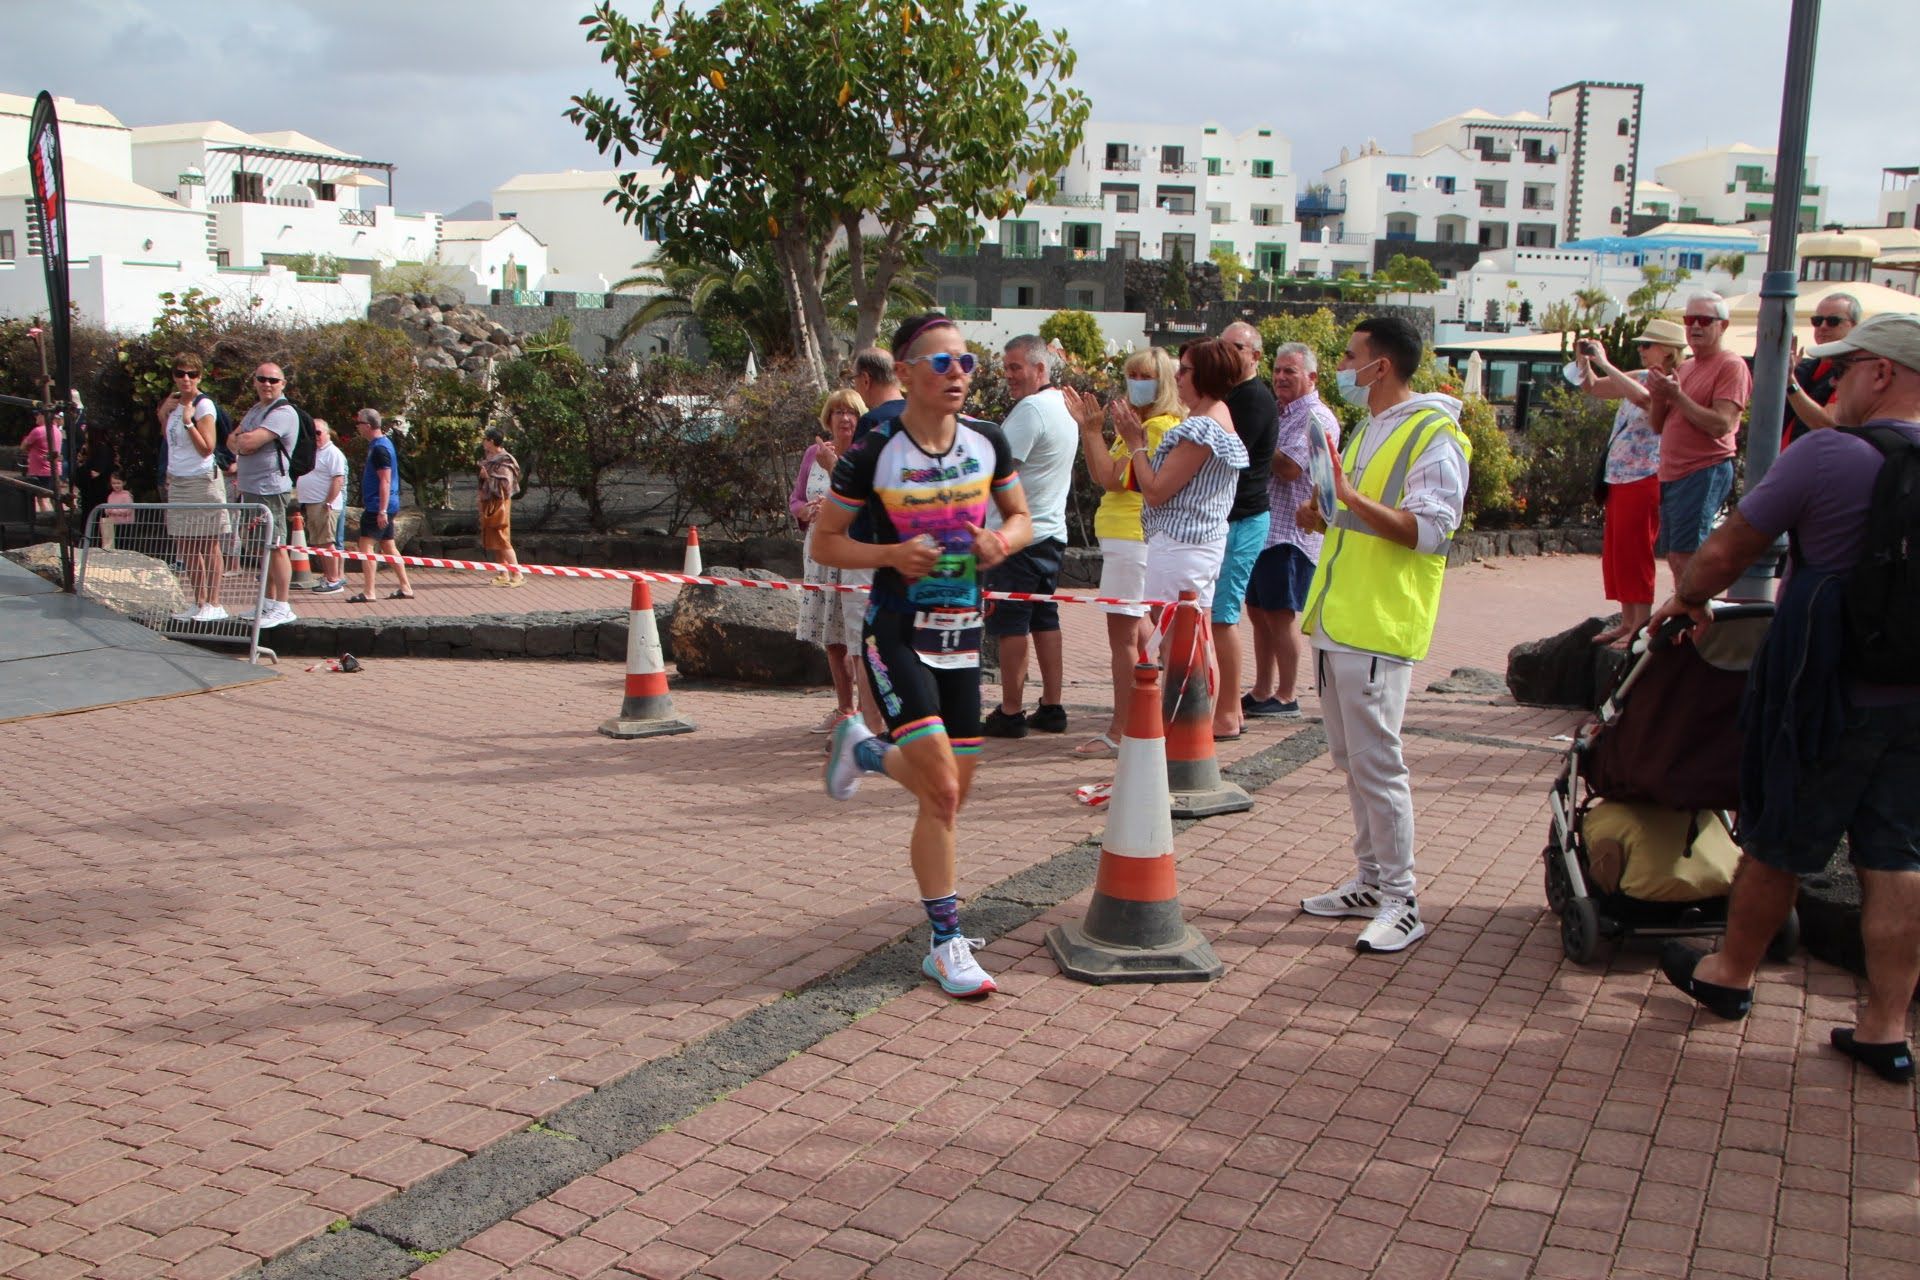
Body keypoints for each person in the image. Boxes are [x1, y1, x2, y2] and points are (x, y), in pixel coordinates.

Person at [1650, 313, 1920, 1085]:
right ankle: (1886, 1027)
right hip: (1912, 697)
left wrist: (1687, 599)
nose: (1833, 383)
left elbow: (1728, 549)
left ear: (1881, 372)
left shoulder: (1830, 455)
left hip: (1825, 689)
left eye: (1844, 368)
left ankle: (1730, 974)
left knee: (1781, 839)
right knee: (1898, 855)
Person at [813, 312, 1033, 1000]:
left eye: (967, 363)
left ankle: (865, 750)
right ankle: (944, 943)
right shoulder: (874, 451)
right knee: (940, 788)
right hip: (896, 632)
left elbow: (1022, 518)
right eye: (942, 363)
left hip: (962, 635)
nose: (958, 374)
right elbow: (825, 542)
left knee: (952, 795)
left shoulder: (989, 441)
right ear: (906, 374)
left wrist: (1003, 542)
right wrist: (890, 554)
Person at [1294, 316, 1471, 954]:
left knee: (1378, 765)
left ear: (1382, 366)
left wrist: (1345, 497)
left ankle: (1402, 899)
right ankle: (1372, 883)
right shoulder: (1371, 426)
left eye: (1349, 356)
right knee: (1354, 763)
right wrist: (1324, 511)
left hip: (1379, 622)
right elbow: (1359, 516)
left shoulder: (1435, 434)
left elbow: (1430, 531)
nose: (1342, 366)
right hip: (1339, 618)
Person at [1067, 339, 1248, 646]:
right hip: (1189, 545)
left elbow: (1153, 490)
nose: (1177, 377)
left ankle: (1173, 682)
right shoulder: (1213, 417)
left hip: (1180, 547)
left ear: (1204, 375)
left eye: (1185, 370)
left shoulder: (1198, 427)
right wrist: (1097, 431)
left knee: (1178, 644)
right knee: (1191, 642)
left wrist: (1135, 443)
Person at [1067, 345, 1180, 757]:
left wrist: (1094, 432)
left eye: (1145, 376)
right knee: (1139, 633)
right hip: (1124, 539)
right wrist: (1091, 431)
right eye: (1132, 375)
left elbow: (1115, 479)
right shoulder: (1139, 424)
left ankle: (1122, 730)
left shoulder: (1157, 427)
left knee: (1124, 638)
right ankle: (1142, 724)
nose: (1136, 383)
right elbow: (1103, 474)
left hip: (1134, 539)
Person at [981, 335, 1077, 739]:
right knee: (1043, 617)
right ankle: (1052, 705)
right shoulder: (1062, 407)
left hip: (1018, 535)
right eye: (1006, 368)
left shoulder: (1032, 409)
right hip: (1050, 532)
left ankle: (1011, 710)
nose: (1009, 376)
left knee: (1012, 624)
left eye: (1016, 367)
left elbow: (998, 469)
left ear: (1040, 368)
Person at [1577, 319, 1686, 646]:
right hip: (1619, 477)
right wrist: (1584, 362)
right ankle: (1627, 621)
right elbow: (1594, 388)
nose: (1641, 350)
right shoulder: (1639, 376)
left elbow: (1644, 400)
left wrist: (1604, 362)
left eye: (1647, 345)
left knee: (1636, 550)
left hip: (1644, 477)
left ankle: (1640, 625)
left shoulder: (1671, 383)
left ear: (1668, 351)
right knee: (1618, 552)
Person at [1245, 342, 1339, 718]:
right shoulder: (1278, 412)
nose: (1281, 377)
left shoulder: (1317, 418)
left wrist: (1252, 438)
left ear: (1312, 377)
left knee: (1280, 615)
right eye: (1278, 370)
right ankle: (1262, 689)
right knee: (1257, 611)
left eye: (1290, 371)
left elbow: (1289, 468)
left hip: (1290, 535)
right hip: (1263, 530)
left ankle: (1287, 695)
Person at [1648, 293, 1750, 587]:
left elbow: (1721, 424)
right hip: (1673, 474)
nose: (1695, 326)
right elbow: (1658, 425)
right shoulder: (1686, 367)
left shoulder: (1730, 365)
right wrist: (1659, 395)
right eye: (1690, 319)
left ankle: (1697, 612)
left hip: (1702, 470)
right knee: (1676, 556)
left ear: (1723, 325)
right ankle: (1688, 610)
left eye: (1704, 320)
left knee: (1688, 556)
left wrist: (1677, 396)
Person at [1213, 321, 1280, 738]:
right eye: (1221, 346)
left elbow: (1225, 455)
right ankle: (1226, 706)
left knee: (1223, 617)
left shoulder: (1253, 398)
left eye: (1235, 347)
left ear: (1255, 355)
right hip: (1230, 518)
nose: (1226, 353)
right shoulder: (1231, 394)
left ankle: (1228, 710)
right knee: (1218, 616)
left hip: (1243, 518)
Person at [791, 389, 869, 730]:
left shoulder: (867, 453)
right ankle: (843, 708)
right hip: (819, 553)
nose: (845, 418)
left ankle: (867, 711)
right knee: (833, 637)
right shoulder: (814, 453)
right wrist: (805, 511)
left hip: (852, 551)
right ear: (828, 418)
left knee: (858, 634)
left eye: (851, 412)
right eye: (838, 412)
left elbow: (866, 502)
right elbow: (796, 498)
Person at [227, 362, 301, 628]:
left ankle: (282, 605)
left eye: (273, 380)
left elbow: (246, 441)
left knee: (276, 546)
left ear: (283, 384)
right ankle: (267, 602)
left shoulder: (284, 412)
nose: (267, 384)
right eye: (261, 379)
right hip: (251, 489)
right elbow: (232, 440)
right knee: (261, 548)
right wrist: (243, 443)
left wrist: (245, 442)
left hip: (270, 490)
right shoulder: (256, 410)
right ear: (255, 381)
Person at [159, 355, 230, 623]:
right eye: (180, 373)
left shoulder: (203, 405)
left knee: (208, 543)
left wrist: (189, 422)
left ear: (199, 376)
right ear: (174, 376)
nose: (186, 379)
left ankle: (214, 602)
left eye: (191, 374)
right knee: (186, 544)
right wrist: (163, 413)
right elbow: (171, 439)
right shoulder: (174, 403)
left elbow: (207, 448)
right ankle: (198, 601)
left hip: (201, 479)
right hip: (178, 480)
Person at [348, 409, 414, 602]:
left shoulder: (380, 448)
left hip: (379, 505)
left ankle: (369, 591)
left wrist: (382, 510)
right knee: (388, 545)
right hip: (384, 503)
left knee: (366, 546)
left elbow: (385, 479)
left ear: (368, 426)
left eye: (359, 423)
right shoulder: (379, 444)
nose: (357, 427)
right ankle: (406, 587)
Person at [1784, 292, 1861, 442]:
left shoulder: (1854, 371)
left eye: (1833, 321)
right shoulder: (1805, 368)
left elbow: (1827, 423)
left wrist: (1790, 382)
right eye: (1817, 321)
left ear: (1854, 327)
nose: (1823, 327)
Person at [298, 419, 349, 593]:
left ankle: (334, 579)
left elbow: (338, 479)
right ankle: (328, 576)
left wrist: (328, 501)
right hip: (312, 503)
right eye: (312, 433)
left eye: (318, 432)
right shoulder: (314, 452)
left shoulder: (332, 453)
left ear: (327, 433)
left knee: (327, 543)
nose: (315, 436)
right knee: (319, 543)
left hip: (325, 504)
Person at [478, 429, 525, 587]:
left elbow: (506, 484)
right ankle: (503, 573)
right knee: (494, 540)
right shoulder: (488, 458)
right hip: (488, 502)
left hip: (500, 503)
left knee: (502, 538)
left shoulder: (505, 460)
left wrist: (488, 477)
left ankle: (517, 574)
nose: (483, 442)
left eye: (485, 439)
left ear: (491, 441)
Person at [75, 416, 116, 541]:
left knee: (97, 518)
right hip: (90, 492)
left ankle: (96, 541)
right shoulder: (92, 448)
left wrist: (82, 471)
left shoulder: (102, 449)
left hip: (97, 491)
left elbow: (96, 472)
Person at [850, 347, 906, 441]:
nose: (855, 388)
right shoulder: (922, 414)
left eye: (854, 379)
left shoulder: (871, 422)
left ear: (865, 380)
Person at [20, 409, 62, 515]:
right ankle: (58, 516)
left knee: (39, 496)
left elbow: (23, 446)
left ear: (44, 416)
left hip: (40, 470)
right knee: (54, 497)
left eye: (37, 415)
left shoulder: (38, 431)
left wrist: (28, 444)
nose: (35, 417)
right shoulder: (57, 430)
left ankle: (44, 517)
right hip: (55, 469)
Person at [102, 471, 135, 550]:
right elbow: (107, 509)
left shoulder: (126, 496)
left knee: (124, 545)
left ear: (124, 483)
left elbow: (127, 510)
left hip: (124, 524)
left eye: (118, 483)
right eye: (113, 483)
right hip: (112, 524)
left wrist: (112, 511)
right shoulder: (110, 495)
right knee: (113, 545)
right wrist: (108, 510)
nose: (116, 485)